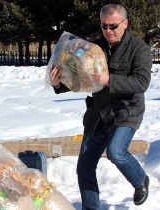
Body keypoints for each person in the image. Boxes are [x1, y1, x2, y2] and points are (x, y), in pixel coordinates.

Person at [49, 4, 152, 209]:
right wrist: (59, 83)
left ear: (125, 23)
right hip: (99, 112)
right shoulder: (92, 48)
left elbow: (142, 82)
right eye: (104, 26)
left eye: (113, 26)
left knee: (115, 152)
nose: (108, 31)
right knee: (85, 168)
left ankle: (140, 180)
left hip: (126, 110)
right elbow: (80, 79)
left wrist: (109, 80)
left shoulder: (139, 49)